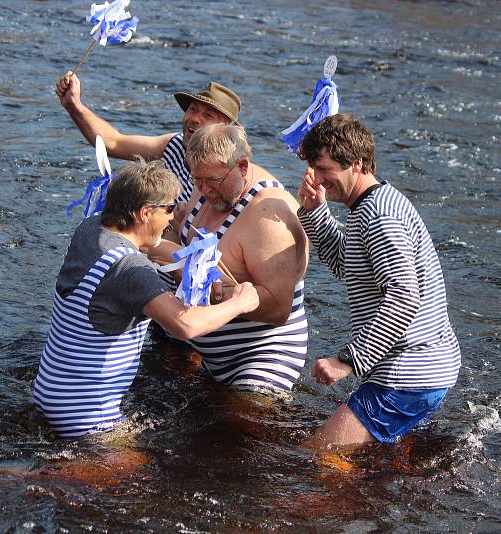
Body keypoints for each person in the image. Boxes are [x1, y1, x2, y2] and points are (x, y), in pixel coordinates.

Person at [32, 158, 259, 440]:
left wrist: (185, 262)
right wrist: (239, 302)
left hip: (49, 392)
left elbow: (150, 247)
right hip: (84, 412)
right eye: (168, 209)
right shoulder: (132, 270)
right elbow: (185, 325)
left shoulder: (91, 230)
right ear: (144, 213)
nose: (173, 217)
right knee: (133, 476)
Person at [296, 114, 461, 446]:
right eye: (314, 167)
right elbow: (349, 265)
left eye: (325, 169)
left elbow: (403, 296)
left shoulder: (380, 216)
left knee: (321, 454)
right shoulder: (370, 205)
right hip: (423, 368)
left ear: (356, 164)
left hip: (411, 372)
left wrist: (347, 361)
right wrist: (315, 211)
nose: (317, 177)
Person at [147, 123, 310, 395]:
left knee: (240, 428)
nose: (204, 189)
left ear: (243, 167)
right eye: (197, 180)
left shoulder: (267, 215)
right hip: (206, 349)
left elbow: (279, 307)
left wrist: (219, 295)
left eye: (213, 181)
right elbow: (184, 248)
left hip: (259, 356)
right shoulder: (208, 180)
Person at [55, 72, 271, 203]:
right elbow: (112, 142)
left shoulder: (235, 173)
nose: (195, 119)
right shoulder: (174, 145)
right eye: (193, 109)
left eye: (208, 115)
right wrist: (75, 106)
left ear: (226, 129)